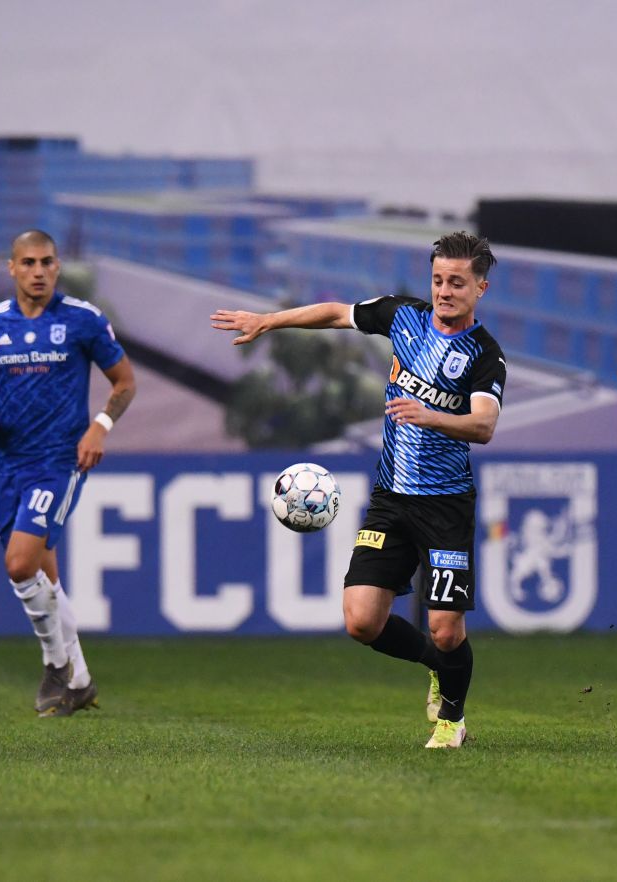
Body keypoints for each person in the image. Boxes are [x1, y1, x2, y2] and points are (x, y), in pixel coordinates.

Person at [212, 231, 506, 749]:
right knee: (362, 621)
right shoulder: (403, 317)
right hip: (390, 499)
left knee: (445, 627)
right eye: (438, 279)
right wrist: (267, 322)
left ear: (480, 287)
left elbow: (483, 426)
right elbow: (334, 313)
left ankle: (452, 722)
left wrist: (430, 416)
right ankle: (437, 667)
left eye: (457, 283)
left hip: (446, 506)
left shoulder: (485, 356)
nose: (444, 291)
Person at [0, 230, 136, 717]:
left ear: (58, 267)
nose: (39, 271)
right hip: (8, 462)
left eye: (47, 262)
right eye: (29, 263)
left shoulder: (83, 320)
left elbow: (125, 382)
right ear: (11, 268)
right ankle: (80, 681)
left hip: (59, 460)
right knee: (43, 577)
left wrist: (99, 427)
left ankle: (55, 664)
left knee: (19, 564)